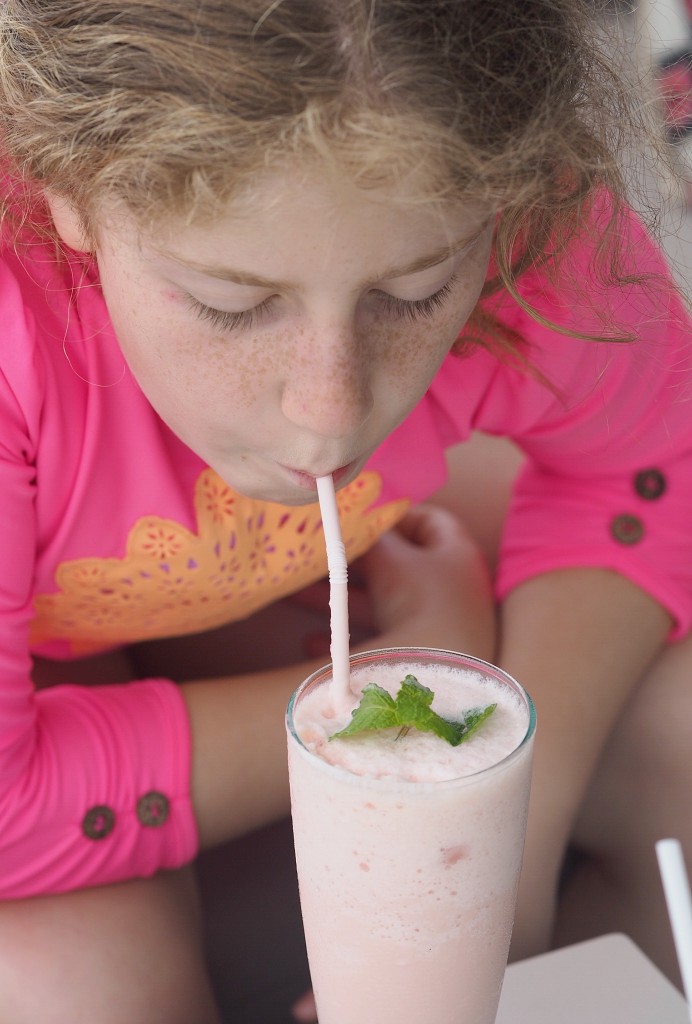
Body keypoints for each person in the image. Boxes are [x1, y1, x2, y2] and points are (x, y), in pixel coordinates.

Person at [0, 1, 689, 1021]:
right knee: (85, 992)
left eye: (414, 289)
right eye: (230, 302)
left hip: (332, 559)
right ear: (63, 190)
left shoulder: (519, 209)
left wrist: (500, 847)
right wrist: (426, 659)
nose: (327, 413)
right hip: (49, 641)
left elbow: (643, 469)